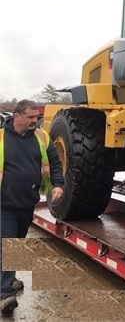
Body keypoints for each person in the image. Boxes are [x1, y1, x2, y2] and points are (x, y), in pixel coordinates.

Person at [0, 99, 64, 316]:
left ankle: (9, 277)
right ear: (17, 117)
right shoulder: (1, 138)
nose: (35, 121)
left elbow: (54, 163)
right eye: (31, 117)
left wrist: (57, 185)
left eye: (36, 117)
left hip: (28, 203)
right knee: (8, 245)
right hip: (4, 204)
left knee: (18, 243)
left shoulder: (42, 137)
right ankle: (4, 295)